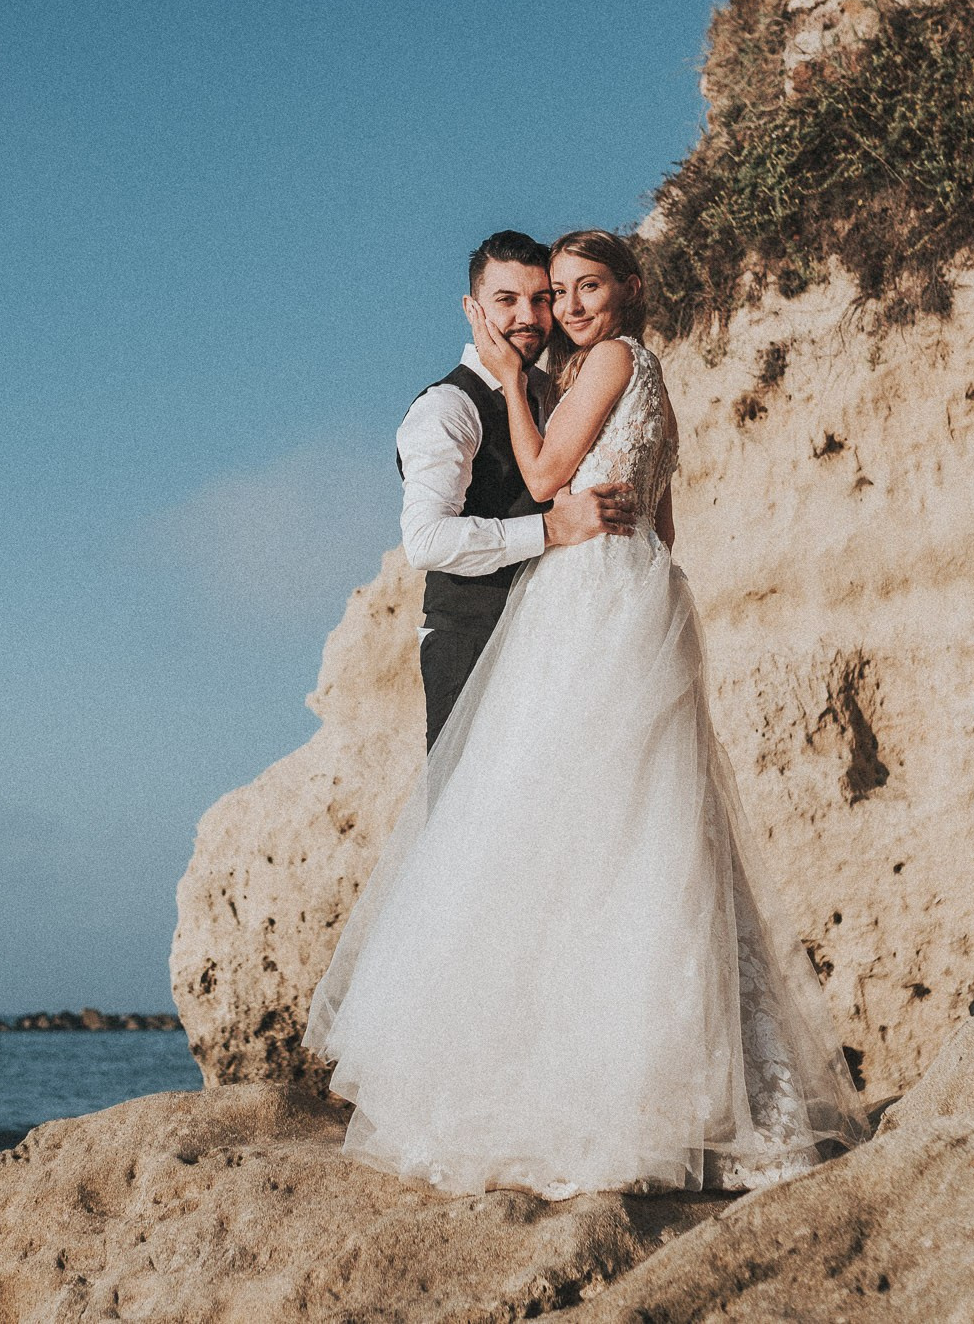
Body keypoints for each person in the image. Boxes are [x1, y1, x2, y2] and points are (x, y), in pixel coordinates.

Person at [302, 229, 869, 1199]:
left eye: (573, 289)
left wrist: (523, 406)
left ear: (627, 291)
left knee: (562, 829)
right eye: (534, 296)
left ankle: (560, 1085)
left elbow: (539, 479)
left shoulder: (596, 365)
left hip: (587, 600)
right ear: (476, 307)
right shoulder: (452, 406)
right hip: (603, 592)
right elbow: (626, 525)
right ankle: (658, 1084)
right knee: (611, 827)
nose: (553, 311)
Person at [395, 230, 638, 750]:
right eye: (506, 301)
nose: (527, 317)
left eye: (541, 299)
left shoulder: (553, 394)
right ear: (472, 308)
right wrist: (551, 528)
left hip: (554, 641)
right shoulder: (447, 408)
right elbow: (426, 540)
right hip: (471, 644)